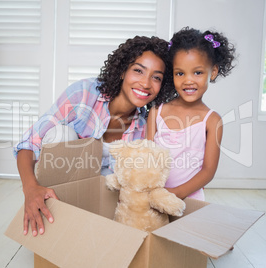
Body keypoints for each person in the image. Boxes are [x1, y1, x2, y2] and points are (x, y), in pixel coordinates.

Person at [14, 36, 173, 236]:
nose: (146, 83)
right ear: (123, 70)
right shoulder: (83, 94)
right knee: (61, 133)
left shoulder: (145, 126)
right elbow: (29, 142)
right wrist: (30, 189)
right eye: (138, 70)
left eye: (156, 77)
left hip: (100, 195)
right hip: (63, 181)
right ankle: (51, 213)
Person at [147, 27, 236, 201]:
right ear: (172, 74)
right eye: (180, 73)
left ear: (214, 72)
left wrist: (177, 193)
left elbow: (208, 171)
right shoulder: (157, 112)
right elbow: (146, 156)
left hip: (190, 198)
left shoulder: (212, 121)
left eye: (197, 72)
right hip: (154, 195)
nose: (188, 80)